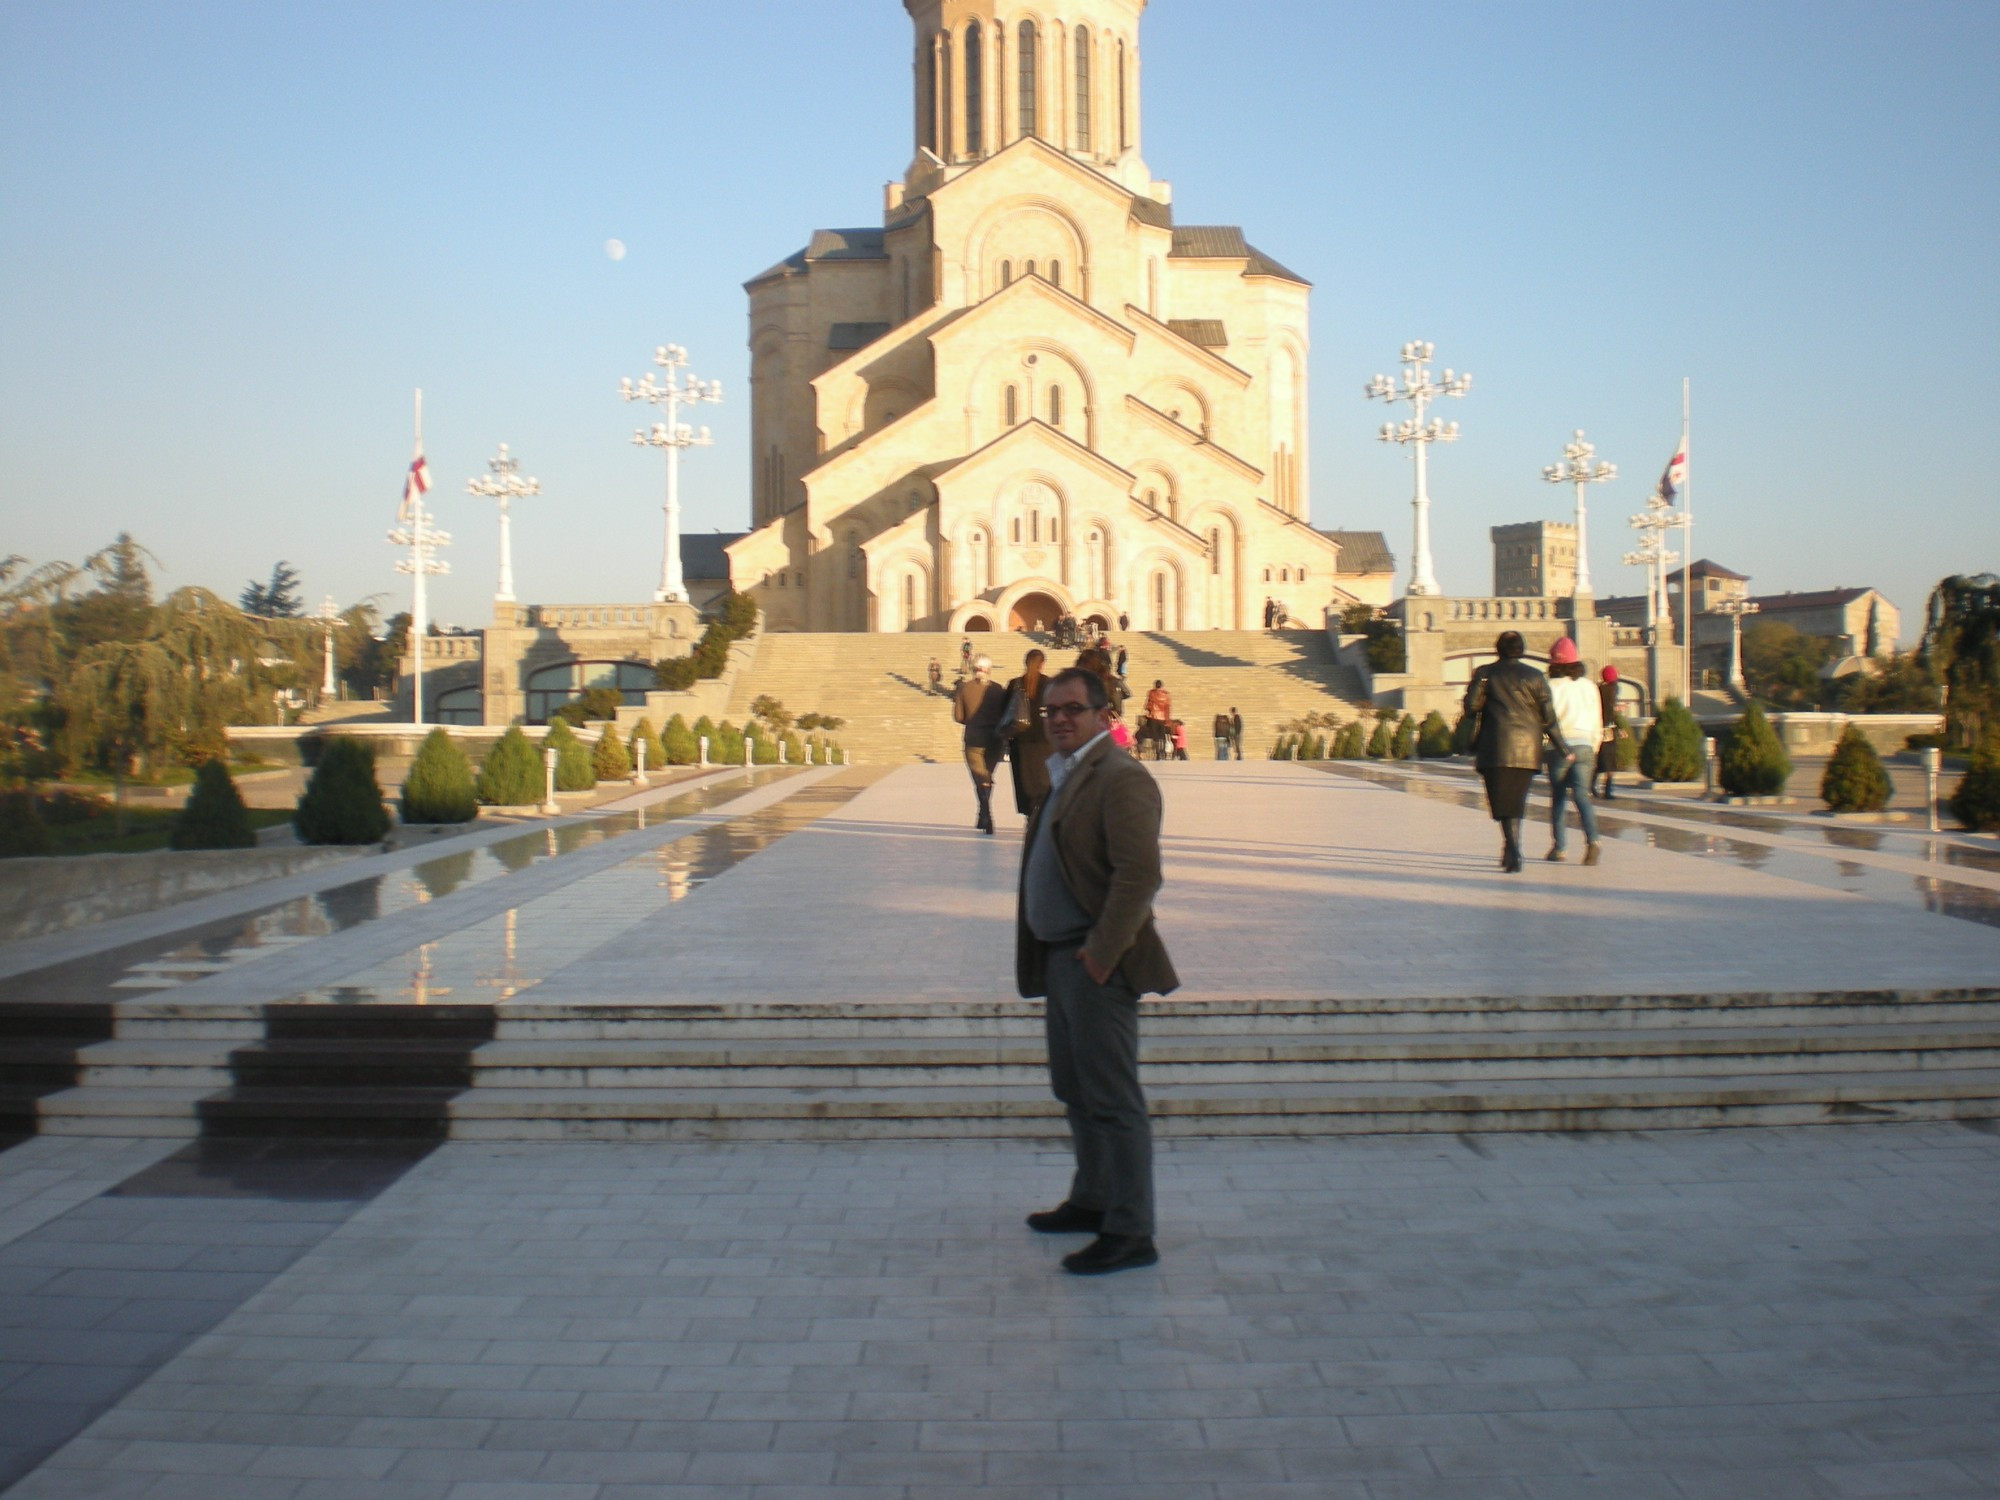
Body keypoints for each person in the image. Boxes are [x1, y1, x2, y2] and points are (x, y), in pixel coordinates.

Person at [1018, 665, 1177, 1275]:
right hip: (1061, 955)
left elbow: (1139, 875)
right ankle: (1092, 1199)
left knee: (1111, 1099)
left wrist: (1101, 953)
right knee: (1075, 1089)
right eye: (1050, 710)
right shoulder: (1064, 773)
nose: (1058, 719)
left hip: (1096, 961)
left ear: (1103, 715)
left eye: (1072, 709)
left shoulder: (1121, 777)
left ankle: (1131, 1230)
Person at [1461, 631, 1571, 873]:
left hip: (1496, 746)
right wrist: (1563, 747)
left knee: (1501, 801)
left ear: (1498, 649)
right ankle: (1511, 847)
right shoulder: (1535, 676)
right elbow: (1548, 717)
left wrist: (1478, 687)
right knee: (1515, 801)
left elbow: (1471, 706)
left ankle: (1512, 848)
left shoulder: (1486, 673)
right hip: (1527, 749)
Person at [1544, 638, 1604, 865]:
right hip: (1585, 745)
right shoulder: (1589, 687)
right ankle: (1593, 840)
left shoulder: (1550, 686)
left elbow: (1546, 720)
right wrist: (1594, 746)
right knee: (1582, 795)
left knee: (1559, 797)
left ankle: (1559, 848)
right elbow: (1597, 719)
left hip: (1559, 747)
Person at [952, 654, 1009, 834]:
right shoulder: (998, 689)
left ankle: (985, 813)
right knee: (987, 776)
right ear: (989, 669)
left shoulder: (964, 688)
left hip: (974, 739)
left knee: (980, 778)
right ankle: (983, 813)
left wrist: (972, 720)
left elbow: (958, 716)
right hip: (994, 739)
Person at [1004, 648, 1052, 817]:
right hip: (1044, 740)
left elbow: (1005, 712)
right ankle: (1041, 814)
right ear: (1042, 664)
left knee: (1024, 782)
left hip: (1020, 740)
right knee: (1043, 782)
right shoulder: (1049, 684)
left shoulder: (1014, 684)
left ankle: (1030, 815)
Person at [1594, 666, 1622, 799]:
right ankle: (1608, 790)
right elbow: (1611, 712)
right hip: (1608, 729)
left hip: (1597, 727)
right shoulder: (1612, 690)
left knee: (1599, 759)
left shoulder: (1597, 689)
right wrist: (1619, 727)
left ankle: (1592, 785)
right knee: (1609, 762)